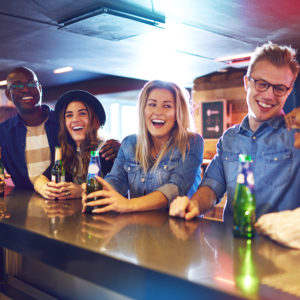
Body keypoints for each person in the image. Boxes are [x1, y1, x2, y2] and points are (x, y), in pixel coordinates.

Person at [170, 42, 300, 220]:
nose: (269, 95)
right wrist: (193, 204)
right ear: (247, 83)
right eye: (262, 84)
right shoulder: (229, 138)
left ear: (289, 90)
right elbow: (211, 187)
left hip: (279, 247)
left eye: (279, 88)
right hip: (231, 243)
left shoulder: (295, 137)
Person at [82, 80, 203, 214]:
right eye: (152, 104)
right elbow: (116, 181)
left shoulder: (192, 142)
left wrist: (128, 205)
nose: (158, 112)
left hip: (179, 229)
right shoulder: (129, 143)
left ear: (178, 113)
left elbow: (175, 188)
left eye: (167, 106)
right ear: (143, 110)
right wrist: (97, 193)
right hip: (138, 230)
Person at [0, 67, 119, 191]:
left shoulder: (63, 125)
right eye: (17, 86)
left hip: (75, 204)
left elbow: (117, 185)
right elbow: (43, 177)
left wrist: (119, 149)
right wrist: (42, 187)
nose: (25, 89)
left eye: (31, 84)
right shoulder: (3, 132)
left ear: (40, 89)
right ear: (8, 94)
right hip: (31, 203)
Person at [34, 90, 120, 200]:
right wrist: (44, 188)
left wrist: (82, 190)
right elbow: (39, 179)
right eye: (69, 115)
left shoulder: (107, 150)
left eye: (82, 113)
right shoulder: (69, 151)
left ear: (94, 119)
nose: (75, 119)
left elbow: (116, 188)